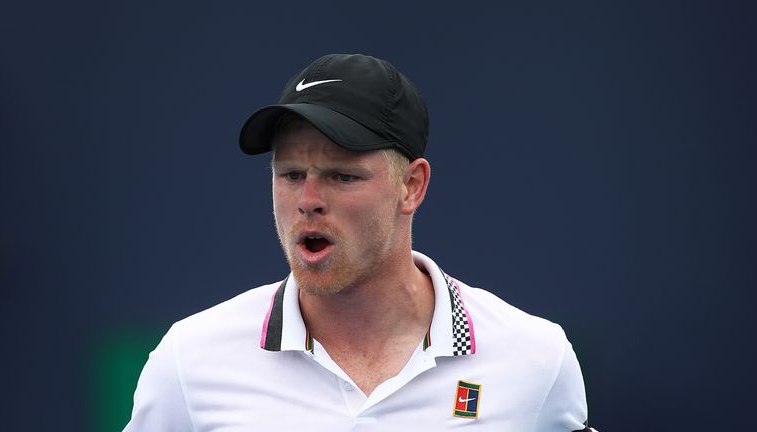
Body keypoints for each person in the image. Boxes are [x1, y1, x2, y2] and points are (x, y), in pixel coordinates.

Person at [123, 53, 596, 431]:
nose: (308, 200)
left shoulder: (534, 359)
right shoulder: (189, 360)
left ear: (411, 186)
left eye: (342, 176)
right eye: (290, 174)